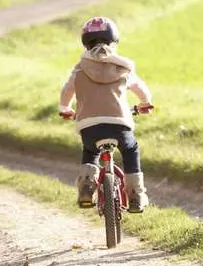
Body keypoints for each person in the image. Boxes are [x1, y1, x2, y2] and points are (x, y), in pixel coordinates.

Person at [59, 16, 154, 212]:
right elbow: (141, 89)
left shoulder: (79, 69)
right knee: (130, 150)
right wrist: (145, 103)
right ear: (113, 42)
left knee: (90, 151)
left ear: (86, 44)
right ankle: (136, 195)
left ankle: (86, 186)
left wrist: (65, 108)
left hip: (89, 124)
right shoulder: (122, 68)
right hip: (119, 123)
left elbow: (67, 91)